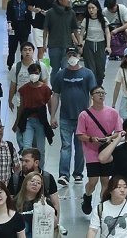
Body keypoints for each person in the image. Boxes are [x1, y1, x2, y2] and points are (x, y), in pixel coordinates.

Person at [50, 47, 97, 187]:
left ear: (78, 55)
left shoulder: (87, 74)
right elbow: (55, 95)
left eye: (74, 54)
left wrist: (93, 115)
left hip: (83, 118)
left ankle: (78, 174)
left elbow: (93, 94)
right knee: (66, 146)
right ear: (66, 56)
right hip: (65, 117)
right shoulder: (60, 75)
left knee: (80, 147)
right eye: (69, 54)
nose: (72, 56)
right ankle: (64, 175)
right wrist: (53, 116)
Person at [77, 85, 123, 215]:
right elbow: (80, 135)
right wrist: (92, 139)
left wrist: (109, 138)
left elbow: (119, 131)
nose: (101, 95)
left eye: (103, 93)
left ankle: (103, 207)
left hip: (106, 150)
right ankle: (87, 196)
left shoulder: (113, 113)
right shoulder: (84, 115)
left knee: (105, 180)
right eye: (98, 93)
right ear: (92, 96)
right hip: (91, 151)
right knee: (92, 181)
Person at [43, 0, 81, 77]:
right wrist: (44, 44)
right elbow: (45, 29)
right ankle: (55, 89)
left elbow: (75, 29)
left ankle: (64, 89)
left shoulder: (71, 13)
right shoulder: (50, 13)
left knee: (65, 68)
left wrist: (79, 43)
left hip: (67, 46)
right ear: (60, 0)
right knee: (55, 69)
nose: (69, 0)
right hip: (53, 46)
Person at [79, 0, 111, 86]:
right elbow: (81, 34)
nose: (91, 10)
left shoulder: (103, 20)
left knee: (101, 71)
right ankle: (92, 88)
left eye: (93, 8)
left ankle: (99, 86)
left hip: (100, 45)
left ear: (97, 8)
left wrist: (108, 46)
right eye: (89, 8)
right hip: (89, 45)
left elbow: (108, 33)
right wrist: (80, 45)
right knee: (90, 69)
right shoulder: (86, 20)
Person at [6, 0, 32, 69]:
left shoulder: (27, 3)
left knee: (24, 47)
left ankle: (23, 64)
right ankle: (10, 65)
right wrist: (9, 25)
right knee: (12, 48)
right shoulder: (11, 3)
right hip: (13, 27)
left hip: (24, 27)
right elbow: (9, 15)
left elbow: (29, 16)